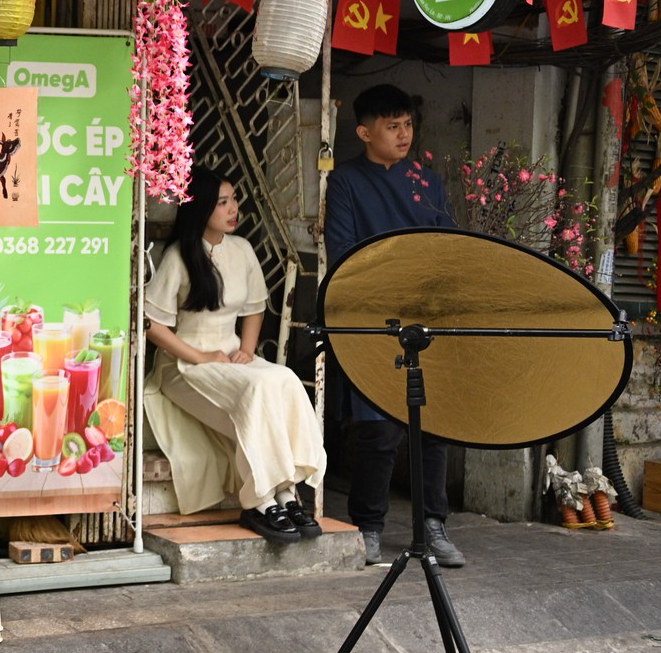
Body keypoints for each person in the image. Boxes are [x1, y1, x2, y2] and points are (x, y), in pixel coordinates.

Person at [142, 168, 327, 543]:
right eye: (222, 202)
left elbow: (255, 307)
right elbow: (152, 325)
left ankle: (286, 491)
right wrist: (199, 356)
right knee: (256, 392)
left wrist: (246, 349)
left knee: (285, 379)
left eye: (234, 199)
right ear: (201, 208)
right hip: (183, 366)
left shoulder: (241, 249)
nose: (232, 209)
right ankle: (260, 501)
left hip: (228, 354)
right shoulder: (180, 255)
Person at [324, 82, 463, 568]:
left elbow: (446, 248)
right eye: (392, 126)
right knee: (378, 430)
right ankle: (368, 527)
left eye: (407, 125)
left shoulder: (428, 181)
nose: (403, 135)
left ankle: (433, 524)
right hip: (372, 318)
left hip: (426, 319)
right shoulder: (344, 182)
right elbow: (342, 251)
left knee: (433, 429)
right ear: (365, 132)